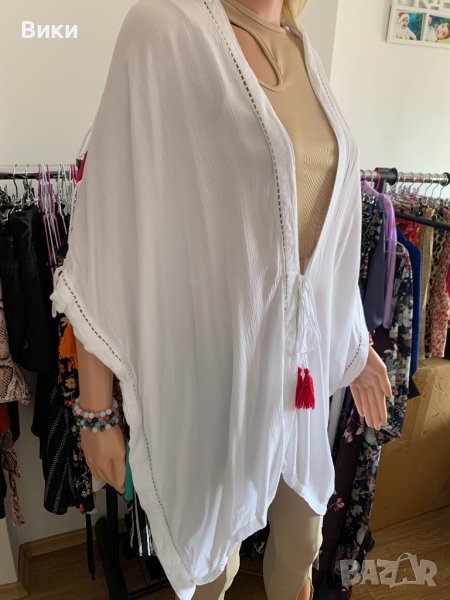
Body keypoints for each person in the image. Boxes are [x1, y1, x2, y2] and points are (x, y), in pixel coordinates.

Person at [50, 1, 392, 599]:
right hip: (212, 370)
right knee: (214, 566)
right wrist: (95, 409)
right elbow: (109, 228)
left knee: (302, 544)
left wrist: (355, 344)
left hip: (301, 373)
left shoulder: (303, 50)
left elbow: (324, 238)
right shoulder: (165, 29)